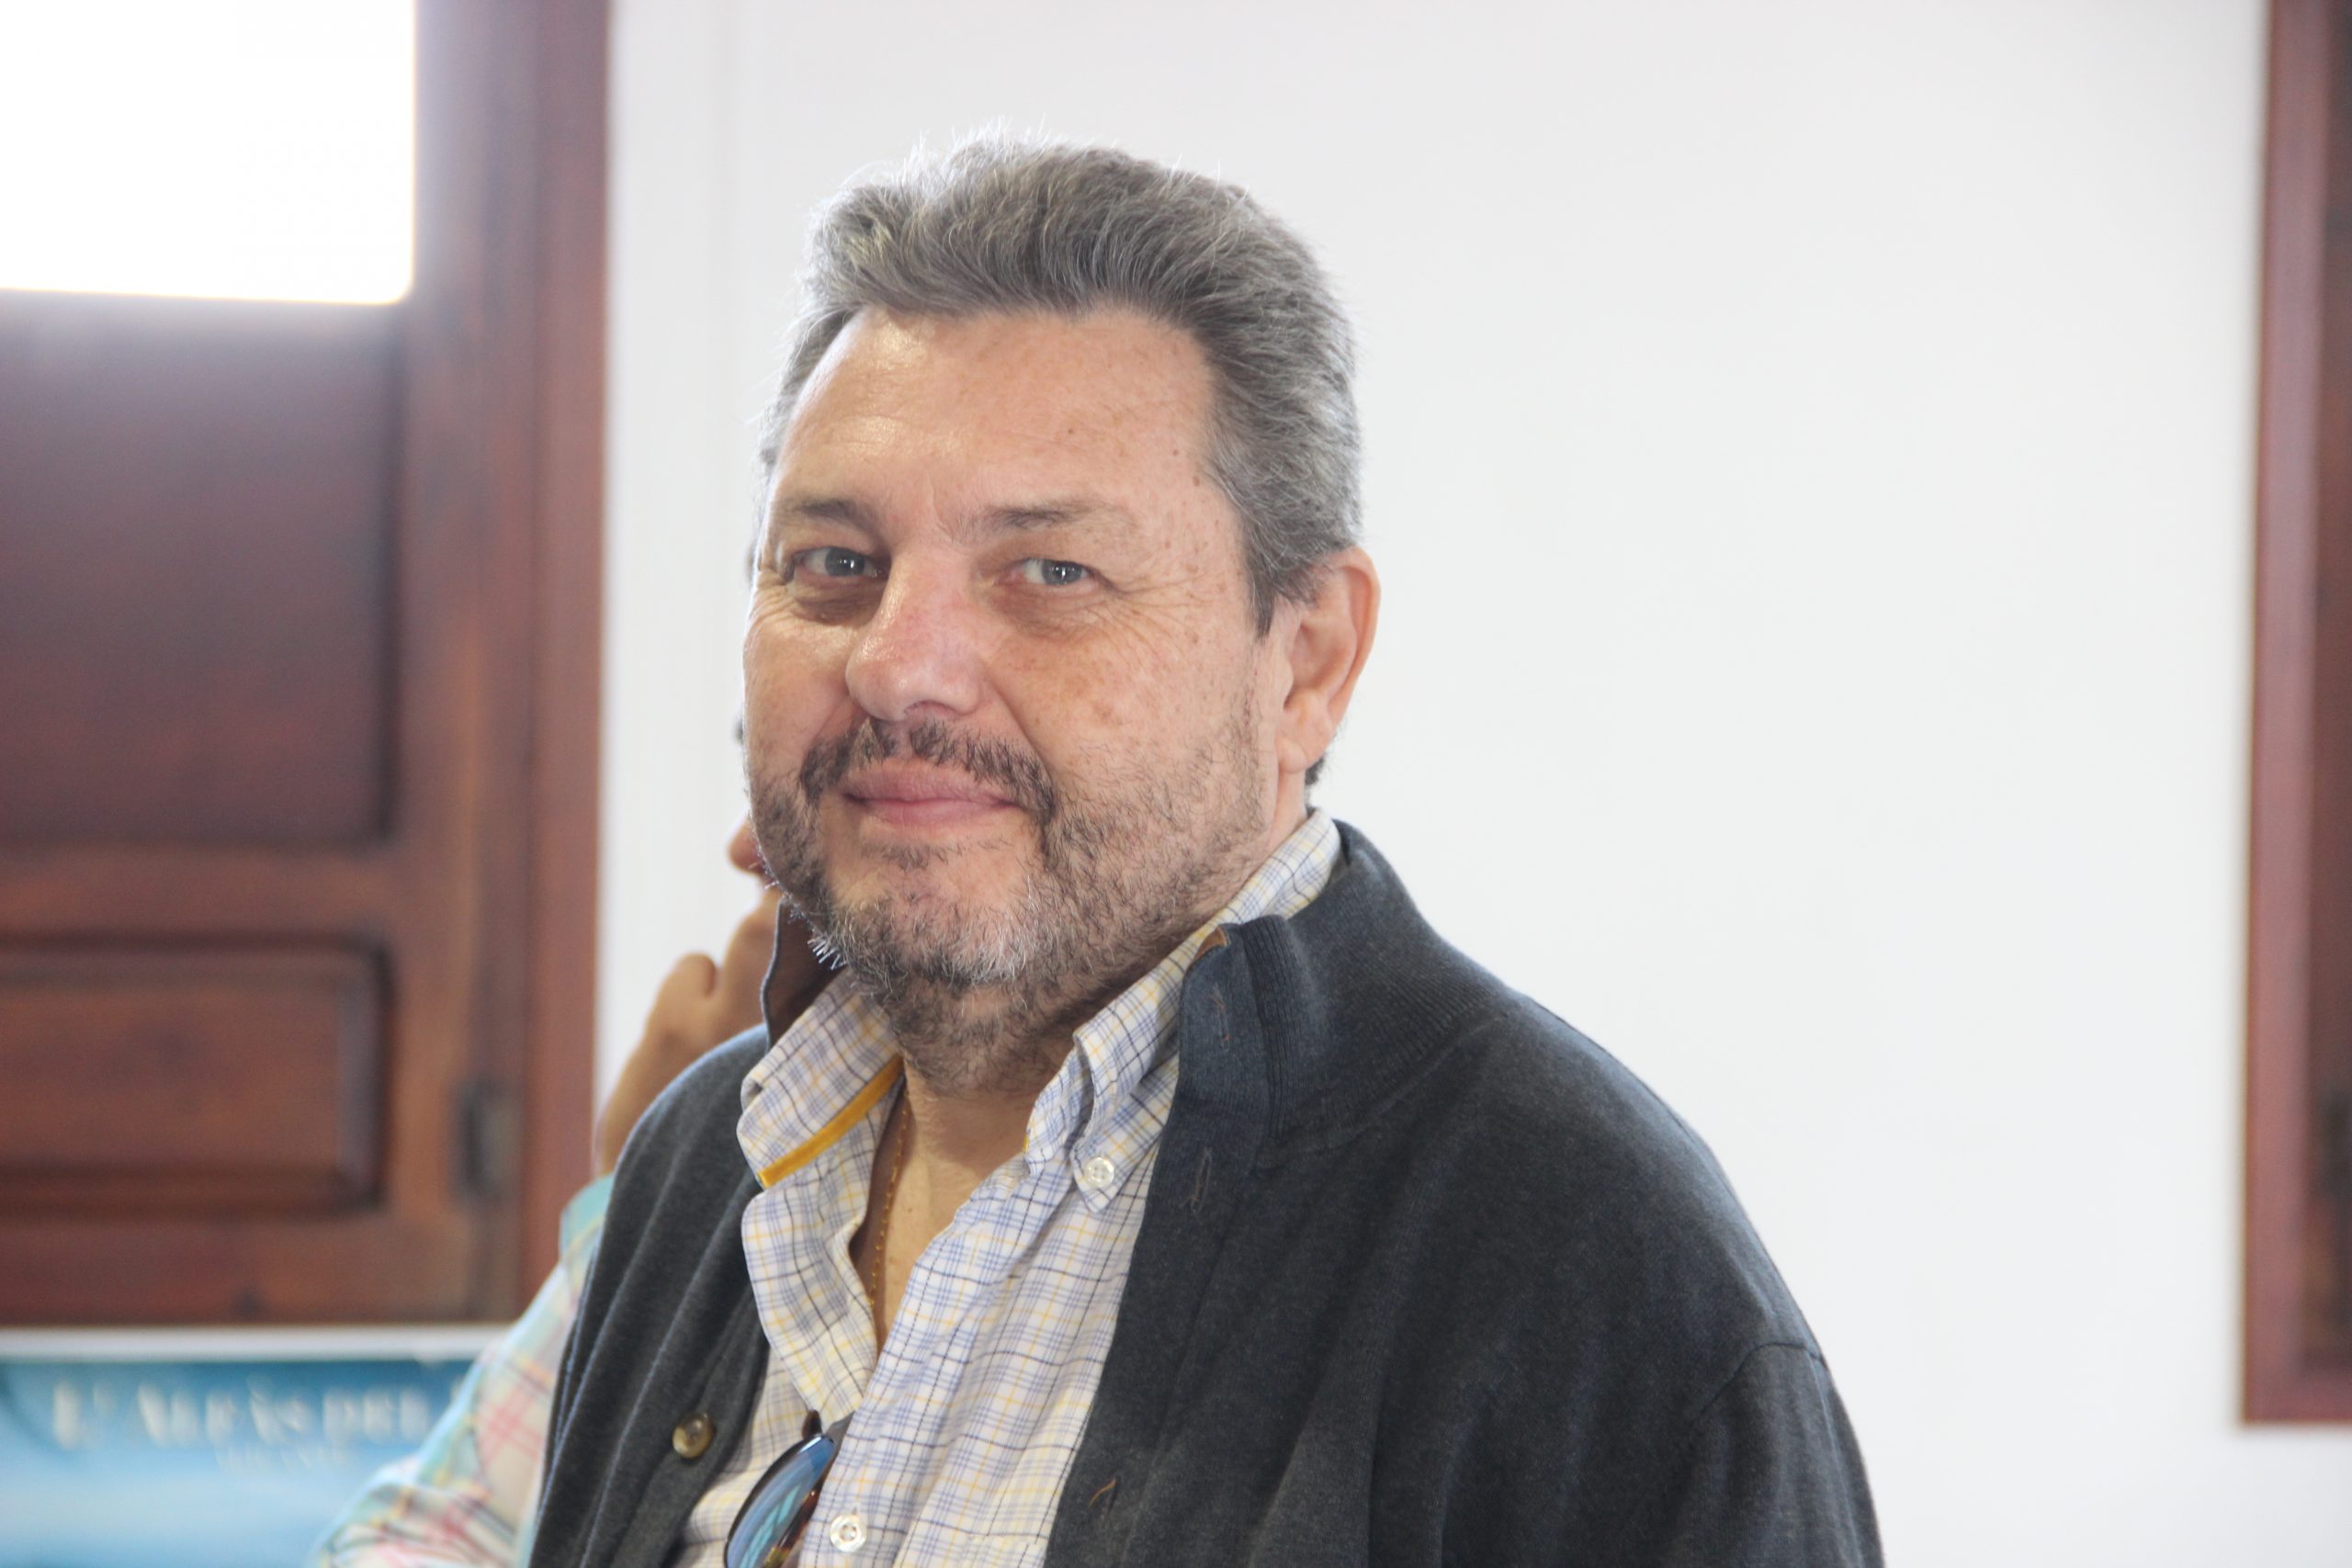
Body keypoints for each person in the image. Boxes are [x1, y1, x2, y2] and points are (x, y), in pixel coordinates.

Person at [322, 138, 1881, 1566]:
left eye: (1050, 571)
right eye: (836, 563)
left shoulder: (1596, 1287)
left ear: (1308, 659)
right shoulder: (697, 1172)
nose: (898, 663)